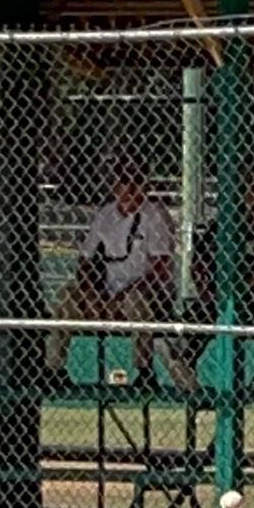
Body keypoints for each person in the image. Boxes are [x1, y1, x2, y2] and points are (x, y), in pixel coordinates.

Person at [44, 158, 193, 392]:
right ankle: (54, 369)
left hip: (144, 293)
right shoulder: (106, 214)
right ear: (115, 186)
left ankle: (143, 370)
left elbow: (160, 269)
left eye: (137, 182)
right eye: (125, 181)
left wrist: (122, 295)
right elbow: (86, 260)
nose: (131, 188)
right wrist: (91, 293)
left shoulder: (155, 216)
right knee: (65, 296)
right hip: (106, 292)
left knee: (137, 302)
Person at [158, 175, 254, 392]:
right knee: (206, 309)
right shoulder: (220, 226)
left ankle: (183, 356)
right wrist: (208, 290)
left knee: (221, 308)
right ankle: (181, 355)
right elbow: (197, 266)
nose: (253, 198)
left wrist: (239, 289)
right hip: (216, 298)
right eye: (247, 192)